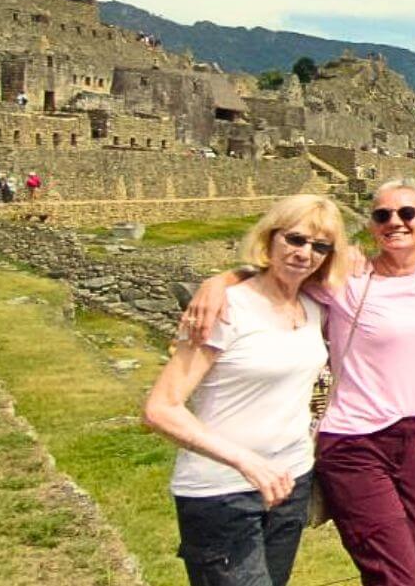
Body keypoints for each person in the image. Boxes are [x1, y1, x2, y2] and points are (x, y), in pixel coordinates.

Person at [182, 181, 415, 586]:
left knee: (407, 566)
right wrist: (221, 280)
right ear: (371, 226)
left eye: (406, 213)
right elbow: (279, 275)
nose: (394, 222)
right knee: (401, 577)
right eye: (382, 215)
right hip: (356, 442)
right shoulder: (346, 281)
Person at [143, 195, 351, 586]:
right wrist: (245, 461)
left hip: (290, 483)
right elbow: (160, 408)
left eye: (319, 246)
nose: (305, 253)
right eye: (295, 239)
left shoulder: (314, 308)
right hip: (223, 490)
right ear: (270, 238)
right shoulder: (225, 310)